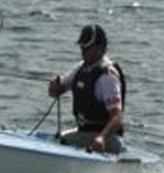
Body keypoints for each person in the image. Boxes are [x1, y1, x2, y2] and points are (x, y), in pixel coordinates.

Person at [46, 23, 126, 154]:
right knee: (57, 139)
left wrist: (101, 138)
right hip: (84, 133)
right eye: (82, 47)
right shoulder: (81, 68)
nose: (83, 52)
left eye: (87, 48)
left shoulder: (107, 77)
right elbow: (56, 91)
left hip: (107, 139)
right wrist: (55, 87)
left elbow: (117, 117)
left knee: (61, 142)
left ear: (100, 47)